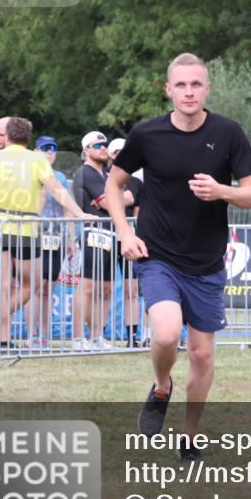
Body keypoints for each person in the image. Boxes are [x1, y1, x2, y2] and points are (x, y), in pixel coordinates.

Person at [105, 53, 251, 463]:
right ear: (168, 90)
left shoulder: (228, 133)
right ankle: (161, 387)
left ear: (207, 89)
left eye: (196, 84)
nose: (188, 92)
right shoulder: (147, 134)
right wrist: (124, 232)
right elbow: (114, 182)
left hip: (207, 261)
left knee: (202, 355)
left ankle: (189, 436)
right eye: (181, 85)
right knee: (166, 334)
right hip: (157, 254)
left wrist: (221, 191)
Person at [0, 118, 93, 349]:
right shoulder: (36, 160)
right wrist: (80, 213)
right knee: (30, 285)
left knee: (2, 285)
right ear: (27, 138)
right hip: (25, 229)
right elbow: (57, 190)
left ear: (8, 136)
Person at [72, 131, 118, 351]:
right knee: (88, 286)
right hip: (93, 233)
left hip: (110, 233)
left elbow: (121, 200)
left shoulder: (107, 174)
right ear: (86, 150)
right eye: (97, 145)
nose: (103, 147)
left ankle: (98, 336)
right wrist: (112, 201)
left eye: (105, 144)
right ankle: (79, 337)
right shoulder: (86, 172)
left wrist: (113, 201)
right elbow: (111, 203)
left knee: (106, 289)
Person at [30, 135, 73, 348]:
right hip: (33, 236)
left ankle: (44, 334)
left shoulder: (60, 177)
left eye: (53, 149)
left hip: (55, 236)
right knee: (33, 287)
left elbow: (67, 208)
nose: (50, 152)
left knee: (49, 288)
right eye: (45, 148)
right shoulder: (29, 174)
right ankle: (31, 334)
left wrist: (70, 237)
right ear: (36, 151)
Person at [107, 137, 143, 347]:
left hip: (129, 237)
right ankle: (98, 336)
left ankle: (132, 337)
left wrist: (106, 199)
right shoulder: (102, 176)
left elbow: (132, 201)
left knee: (132, 290)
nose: (120, 156)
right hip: (104, 236)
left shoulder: (136, 181)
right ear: (111, 156)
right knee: (102, 288)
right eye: (116, 152)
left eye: (124, 151)